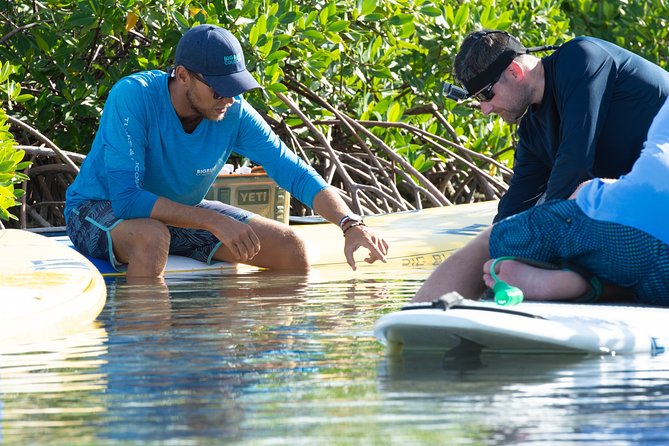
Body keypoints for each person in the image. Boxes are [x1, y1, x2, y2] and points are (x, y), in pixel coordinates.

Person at [65, 24, 388, 277]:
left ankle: (227, 347)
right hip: (98, 208)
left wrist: (350, 224)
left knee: (292, 250)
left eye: (236, 87)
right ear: (182, 76)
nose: (229, 99)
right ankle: (149, 355)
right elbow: (127, 199)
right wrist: (211, 220)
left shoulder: (233, 111)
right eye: (220, 88)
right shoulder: (133, 97)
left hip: (179, 212)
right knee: (152, 237)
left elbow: (293, 171)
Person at [413, 97, 669, 306]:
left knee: (488, 244)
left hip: (625, 220)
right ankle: (590, 286)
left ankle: (417, 321)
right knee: (639, 274)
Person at [453, 30, 669, 222]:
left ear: (514, 72)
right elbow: (516, 204)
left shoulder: (580, 58)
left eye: (485, 94)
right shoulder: (532, 132)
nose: (485, 109)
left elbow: (575, 160)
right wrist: (496, 244)